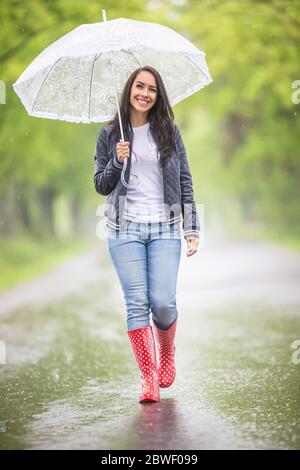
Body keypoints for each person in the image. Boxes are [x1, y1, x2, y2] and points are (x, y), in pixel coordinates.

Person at [94, 66, 200, 404]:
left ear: (158, 96)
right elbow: (101, 185)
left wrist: (191, 227)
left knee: (163, 302)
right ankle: (148, 376)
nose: (145, 93)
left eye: (152, 89)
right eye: (139, 86)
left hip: (165, 226)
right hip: (123, 227)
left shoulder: (169, 132)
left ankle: (166, 352)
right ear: (129, 90)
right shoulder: (110, 134)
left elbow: (184, 179)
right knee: (136, 303)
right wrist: (115, 160)